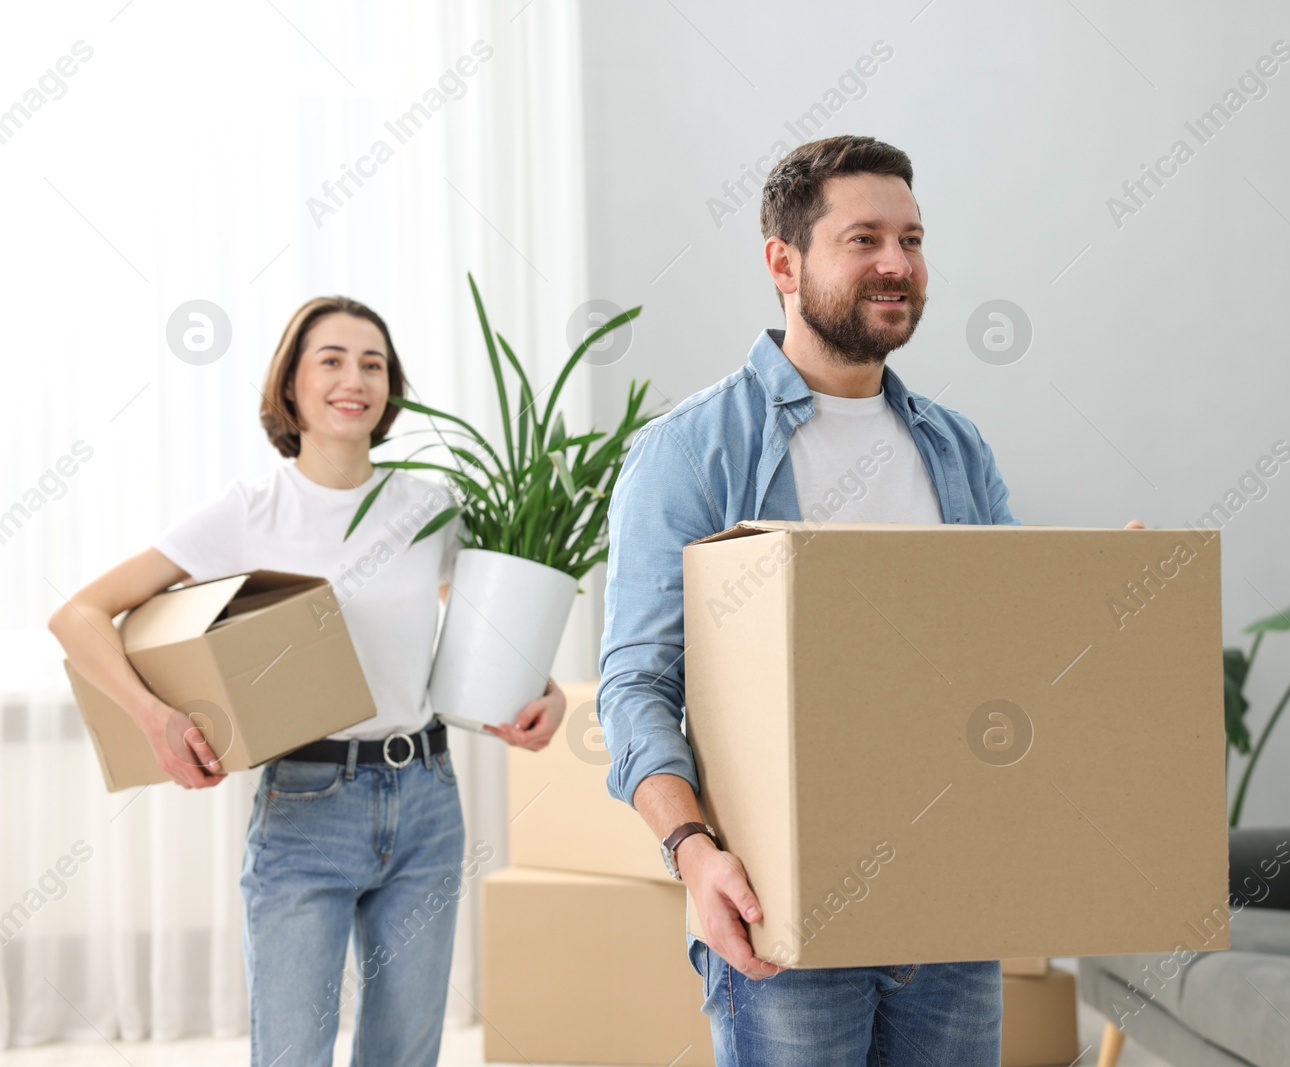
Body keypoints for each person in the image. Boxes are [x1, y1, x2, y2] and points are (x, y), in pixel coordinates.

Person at [599, 134, 1140, 1064]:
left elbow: (1008, 650)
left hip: (954, 909)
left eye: (913, 238)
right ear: (783, 261)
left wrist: (1096, 606)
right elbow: (635, 682)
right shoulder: (689, 451)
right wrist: (693, 850)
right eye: (864, 239)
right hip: (787, 913)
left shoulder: (954, 448)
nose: (898, 263)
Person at [49, 295, 565, 1067]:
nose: (354, 378)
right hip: (304, 809)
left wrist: (543, 693)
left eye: (373, 363)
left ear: (391, 388)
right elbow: (80, 614)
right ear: (290, 384)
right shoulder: (250, 510)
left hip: (426, 798)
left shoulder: (428, 508)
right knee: (291, 1053)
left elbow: (490, 634)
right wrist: (155, 718)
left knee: (404, 1053)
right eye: (331, 359)